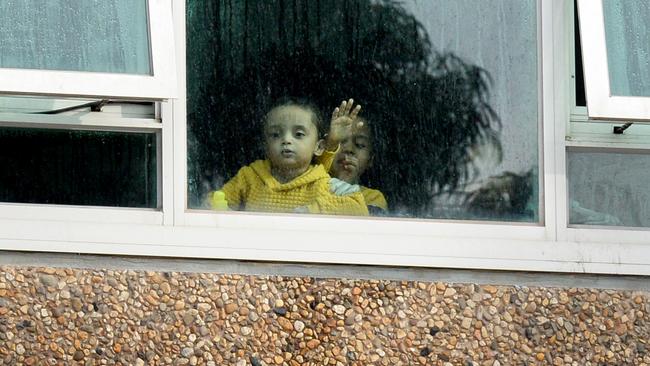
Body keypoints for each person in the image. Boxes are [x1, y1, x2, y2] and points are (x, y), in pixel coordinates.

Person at [208, 99, 369, 216]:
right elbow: (214, 201)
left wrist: (313, 211)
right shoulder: (250, 177)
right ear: (265, 146)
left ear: (319, 147)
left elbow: (358, 207)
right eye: (275, 134)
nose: (286, 140)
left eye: (298, 134)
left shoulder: (322, 182)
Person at [321, 100, 388, 215]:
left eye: (360, 144)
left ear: (370, 160)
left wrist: (344, 184)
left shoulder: (373, 198)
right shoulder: (311, 187)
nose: (349, 149)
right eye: (341, 141)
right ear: (322, 146)